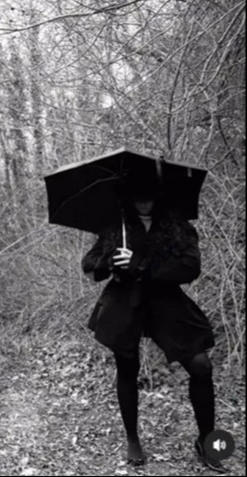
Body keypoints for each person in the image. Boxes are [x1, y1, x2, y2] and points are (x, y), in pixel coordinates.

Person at [81, 175, 224, 472]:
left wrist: (142, 265)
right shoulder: (116, 227)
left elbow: (190, 267)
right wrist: (109, 262)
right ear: (128, 199)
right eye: (137, 197)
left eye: (149, 196)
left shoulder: (176, 227)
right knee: (127, 368)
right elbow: (90, 265)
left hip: (166, 303)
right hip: (124, 303)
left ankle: (207, 440)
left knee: (201, 365)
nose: (144, 202)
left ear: (159, 197)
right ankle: (133, 439)